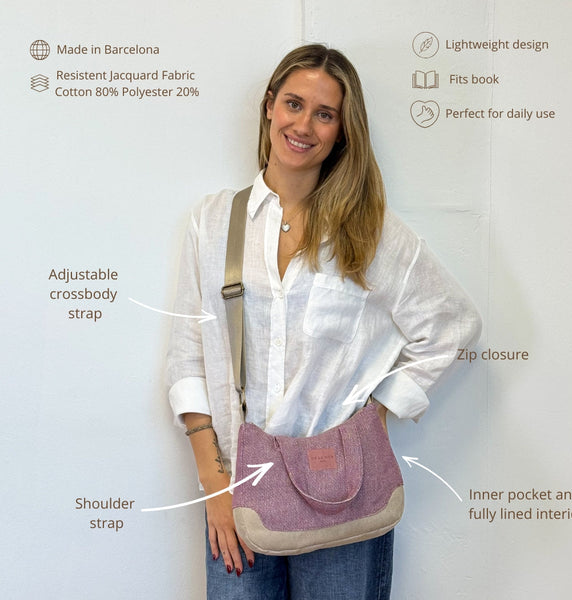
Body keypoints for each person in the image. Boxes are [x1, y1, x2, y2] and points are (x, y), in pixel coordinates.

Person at [166, 44, 481, 600]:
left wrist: (378, 415)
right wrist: (213, 484)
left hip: (345, 493)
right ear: (269, 106)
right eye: (294, 104)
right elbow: (189, 355)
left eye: (325, 114)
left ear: (341, 133)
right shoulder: (213, 222)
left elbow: (452, 325)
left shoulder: (369, 231)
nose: (304, 125)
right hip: (237, 494)